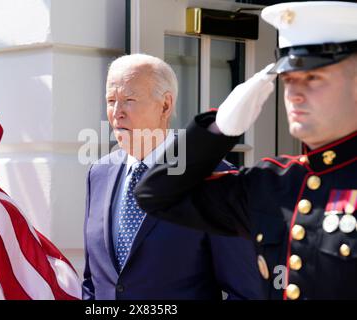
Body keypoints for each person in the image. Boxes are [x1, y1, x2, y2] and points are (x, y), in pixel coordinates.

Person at [135, 1, 357, 300]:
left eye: (313, 78)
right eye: (288, 80)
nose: (294, 94)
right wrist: (219, 127)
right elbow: (156, 195)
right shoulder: (275, 181)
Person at [82, 54, 263, 300]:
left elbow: (247, 292)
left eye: (129, 100)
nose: (116, 113)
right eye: (111, 100)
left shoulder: (214, 177)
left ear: (165, 105)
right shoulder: (99, 174)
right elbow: (94, 282)